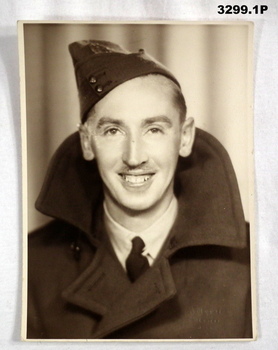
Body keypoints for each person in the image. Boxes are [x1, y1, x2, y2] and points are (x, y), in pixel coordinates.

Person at [27, 40, 252, 340]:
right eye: (112, 131)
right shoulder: (32, 265)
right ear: (86, 142)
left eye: (154, 129)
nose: (134, 157)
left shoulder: (253, 262)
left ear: (184, 138)